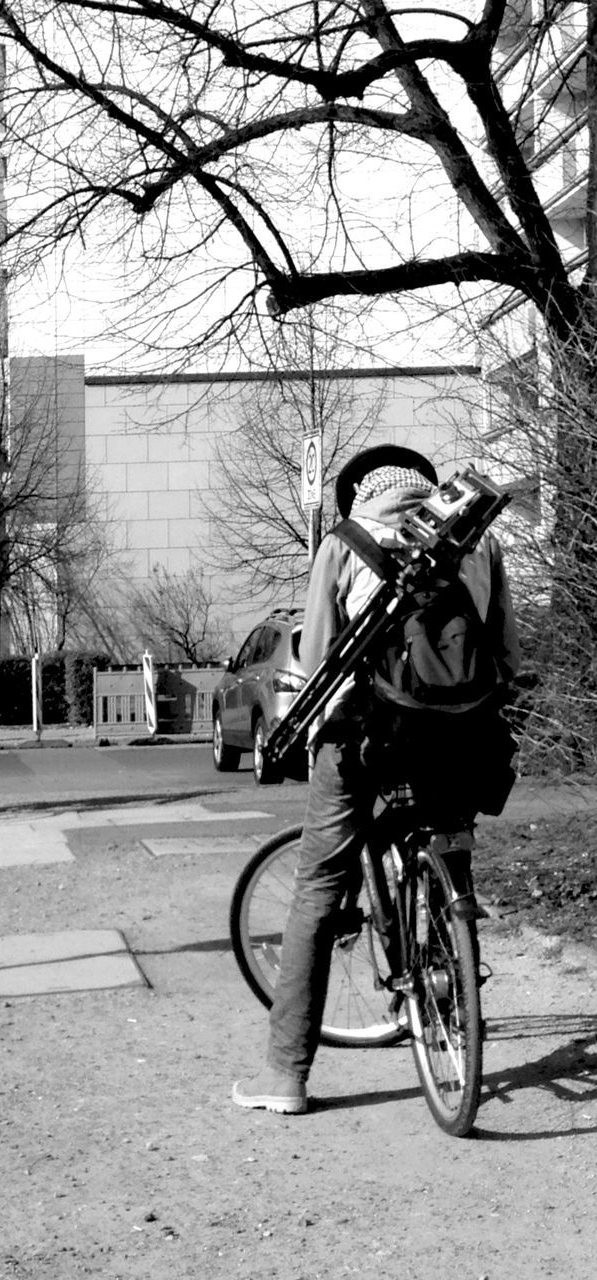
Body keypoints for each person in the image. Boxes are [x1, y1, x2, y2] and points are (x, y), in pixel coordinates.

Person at [232, 444, 521, 1115]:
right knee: (450, 845)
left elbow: (318, 660)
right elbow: (505, 649)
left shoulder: (344, 542)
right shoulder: (479, 540)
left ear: (363, 493)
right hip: (459, 737)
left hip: (369, 736)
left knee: (319, 889)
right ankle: (448, 989)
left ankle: (286, 1076)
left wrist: (314, 743)